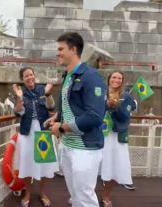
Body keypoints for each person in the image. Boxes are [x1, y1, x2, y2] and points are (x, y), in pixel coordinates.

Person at [46, 32, 106, 207]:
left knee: (85, 197)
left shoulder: (91, 77)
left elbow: (94, 116)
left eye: (60, 49)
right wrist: (57, 117)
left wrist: (62, 128)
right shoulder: (68, 76)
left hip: (85, 149)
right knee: (76, 196)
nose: (57, 53)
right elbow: (72, 107)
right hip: (68, 146)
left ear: (73, 50)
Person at [13, 66, 58, 207]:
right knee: (26, 162)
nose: (30, 77)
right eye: (26, 76)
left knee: (44, 163)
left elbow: (51, 107)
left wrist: (48, 94)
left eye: (31, 74)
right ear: (22, 79)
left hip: (43, 131)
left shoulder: (42, 90)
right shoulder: (21, 92)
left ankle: (42, 192)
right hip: (27, 132)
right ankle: (27, 193)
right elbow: (19, 113)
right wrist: (20, 98)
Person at [100, 71, 136, 207]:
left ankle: (106, 195)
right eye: (114, 77)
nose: (116, 80)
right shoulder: (99, 92)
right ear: (109, 79)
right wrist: (106, 104)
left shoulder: (126, 97)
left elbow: (125, 117)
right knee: (92, 164)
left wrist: (115, 107)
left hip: (115, 134)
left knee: (113, 166)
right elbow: (92, 110)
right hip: (98, 132)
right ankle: (85, 193)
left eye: (119, 78)